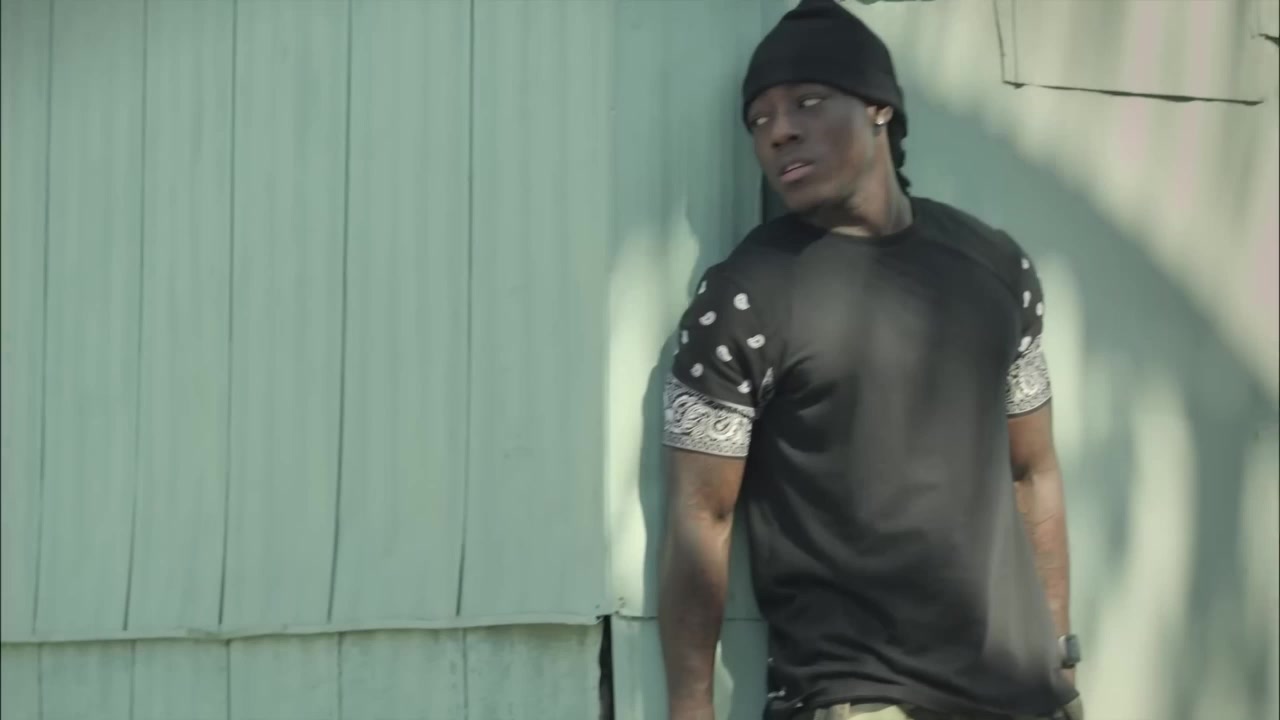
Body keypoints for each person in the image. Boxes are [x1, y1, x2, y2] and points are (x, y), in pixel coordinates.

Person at [656, 2, 1084, 719]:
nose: (778, 130)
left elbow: (1033, 471)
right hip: (862, 702)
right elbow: (701, 517)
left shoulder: (996, 268)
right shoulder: (742, 301)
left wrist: (1060, 656)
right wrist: (689, 709)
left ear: (879, 107)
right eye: (758, 119)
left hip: (1024, 698)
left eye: (808, 102)